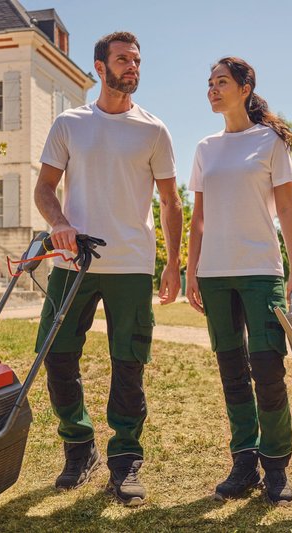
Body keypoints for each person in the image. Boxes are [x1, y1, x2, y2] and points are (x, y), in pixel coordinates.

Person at [34, 31, 182, 507]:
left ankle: (124, 460)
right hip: (73, 262)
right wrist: (59, 222)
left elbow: (171, 202)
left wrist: (173, 264)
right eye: (123, 59)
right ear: (100, 67)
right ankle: (79, 447)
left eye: (137, 59)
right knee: (54, 354)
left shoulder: (153, 130)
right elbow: (44, 189)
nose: (133, 66)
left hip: (131, 266)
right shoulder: (69, 123)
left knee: (129, 363)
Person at [185, 57, 292, 507]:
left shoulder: (270, 142)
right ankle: (243, 461)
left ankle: (275, 465)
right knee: (232, 373)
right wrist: (191, 270)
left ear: (245, 87)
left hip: (262, 271)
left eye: (222, 82)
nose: (213, 89)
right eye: (210, 83)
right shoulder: (204, 148)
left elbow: (288, 211)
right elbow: (198, 219)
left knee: (268, 369)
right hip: (214, 275)